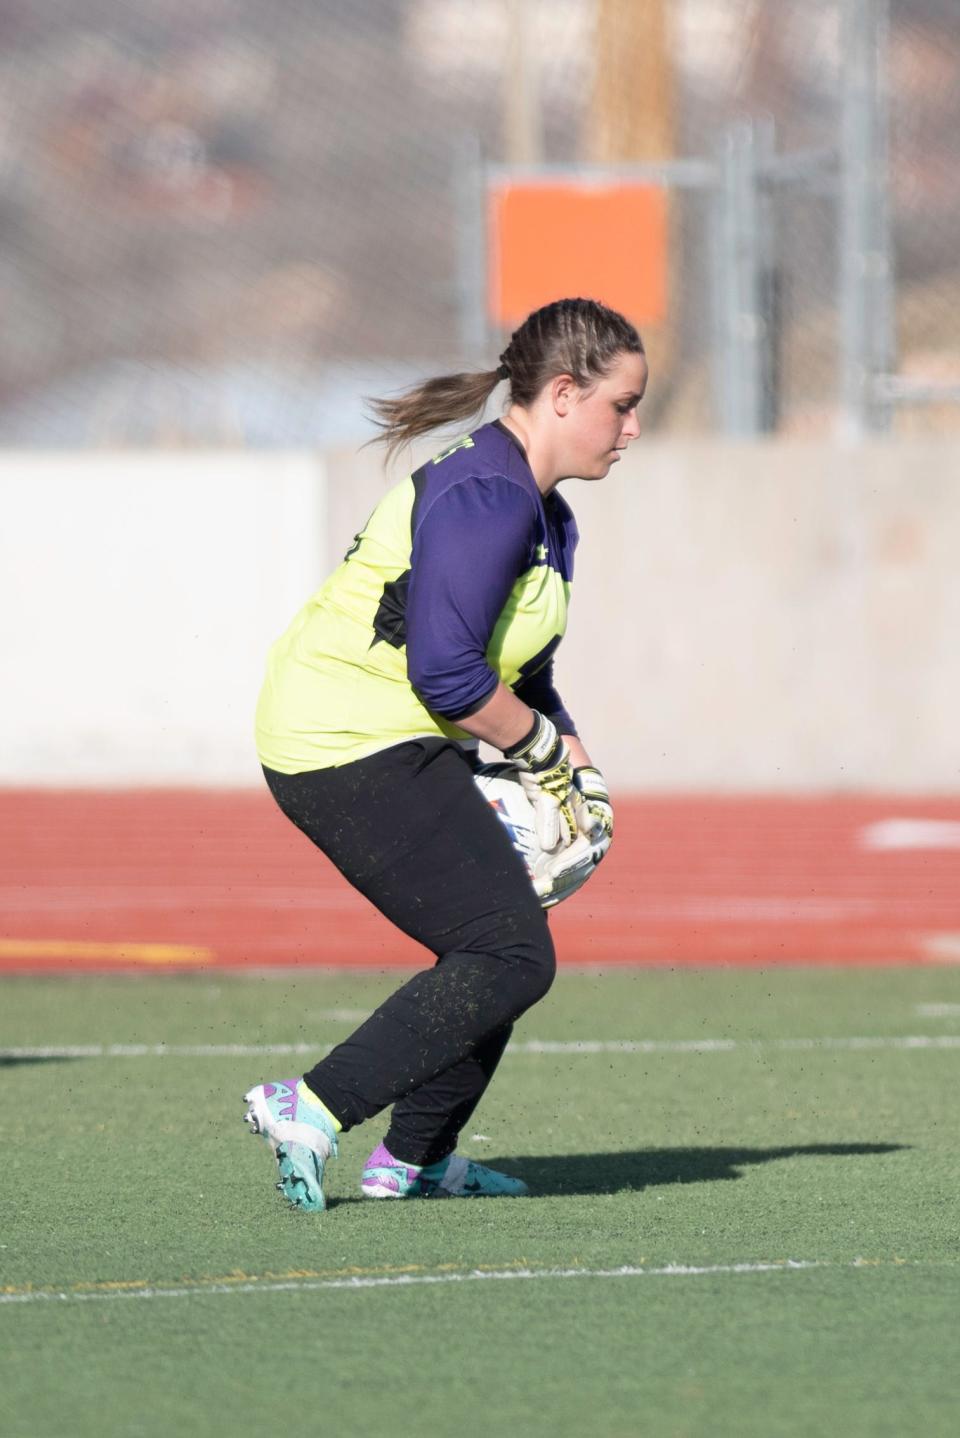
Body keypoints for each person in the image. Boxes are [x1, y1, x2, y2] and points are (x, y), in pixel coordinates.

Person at [244, 296, 647, 1210]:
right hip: (339, 734)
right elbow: (449, 675)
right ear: (561, 392)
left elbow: (521, 668)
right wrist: (543, 757)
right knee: (508, 952)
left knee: (500, 939)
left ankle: (415, 1158)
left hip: (388, 727)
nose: (632, 427)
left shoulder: (541, 507)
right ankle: (306, 1104)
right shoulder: (489, 496)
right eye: (620, 404)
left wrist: (574, 761)